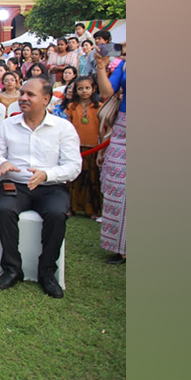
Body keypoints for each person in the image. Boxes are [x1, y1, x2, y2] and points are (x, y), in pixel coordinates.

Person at [0, 76, 83, 298]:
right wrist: (3, 163)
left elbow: (73, 166)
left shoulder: (63, 128)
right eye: (22, 93)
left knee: (57, 214)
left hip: (50, 185)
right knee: (4, 210)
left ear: (46, 99)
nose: (23, 98)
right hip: (16, 183)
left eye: (30, 95)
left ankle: (47, 272)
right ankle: (12, 269)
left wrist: (47, 174)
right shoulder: (9, 124)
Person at [95, 49, 127, 264]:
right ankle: (121, 247)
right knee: (117, 184)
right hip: (124, 126)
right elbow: (106, 93)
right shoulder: (124, 66)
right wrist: (100, 66)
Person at [61, 76, 103, 219]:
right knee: (73, 179)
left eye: (87, 88)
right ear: (76, 91)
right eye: (80, 88)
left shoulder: (100, 107)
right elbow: (68, 128)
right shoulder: (72, 107)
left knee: (92, 179)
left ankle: (93, 210)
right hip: (75, 147)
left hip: (94, 148)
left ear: (94, 89)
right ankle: (71, 207)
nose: (84, 91)